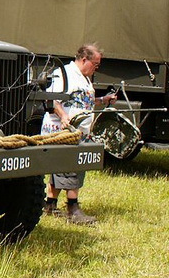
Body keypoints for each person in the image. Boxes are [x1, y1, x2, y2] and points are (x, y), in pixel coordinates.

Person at [41, 43, 116, 225]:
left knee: (62, 169)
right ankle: (73, 209)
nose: (97, 68)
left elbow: (82, 101)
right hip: (61, 131)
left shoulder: (86, 78)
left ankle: (50, 205)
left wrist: (102, 100)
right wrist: (64, 116)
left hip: (79, 132)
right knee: (71, 167)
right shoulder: (64, 73)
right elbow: (51, 98)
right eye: (95, 64)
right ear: (84, 59)